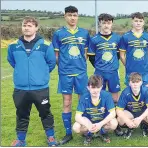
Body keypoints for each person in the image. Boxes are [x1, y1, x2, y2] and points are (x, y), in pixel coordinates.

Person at [7, 16, 57, 146]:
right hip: (21, 88)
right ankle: (21, 140)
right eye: (24, 25)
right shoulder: (13, 46)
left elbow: (51, 63)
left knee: (45, 113)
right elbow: (12, 62)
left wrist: (40, 75)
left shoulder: (46, 45)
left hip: (40, 88)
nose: (26, 28)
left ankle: (51, 137)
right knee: (21, 114)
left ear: (36, 28)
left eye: (29, 25)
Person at [52, 6, 90, 145]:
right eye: (69, 15)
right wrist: (64, 67)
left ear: (78, 16)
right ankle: (68, 133)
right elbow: (56, 56)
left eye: (74, 15)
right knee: (67, 102)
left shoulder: (84, 33)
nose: (72, 18)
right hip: (65, 74)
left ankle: (86, 130)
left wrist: (80, 65)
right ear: (65, 16)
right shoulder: (58, 34)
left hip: (81, 73)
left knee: (83, 102)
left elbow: (85, 54)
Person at [72, 75, 118, 145]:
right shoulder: (84, 97)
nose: (95, 90)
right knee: (76, 127)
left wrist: (100, 124)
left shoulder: (107, 95)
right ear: (88, 88)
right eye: (93, 87)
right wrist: (89, 125)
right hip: (89, 121)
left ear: (101, 87)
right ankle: (89, 134)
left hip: (102, 121)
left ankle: (102, 132)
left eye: (98, 87)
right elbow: (77, 116)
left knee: (114, 123)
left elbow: (113, 113)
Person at [88, 13, 121, 103]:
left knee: (115, 98)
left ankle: (114, 116)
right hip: (99, 72)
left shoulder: (117, 38)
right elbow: (91, 57)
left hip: (113, 72)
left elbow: (118, 54)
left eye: (109, 23)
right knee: (99, 96)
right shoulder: (94, 39)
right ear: (100, 23)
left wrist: (112, 65)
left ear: (112, 24)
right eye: (104, 23)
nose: (106, 25)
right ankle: (101, 115)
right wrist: (100, 66)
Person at [119, 12, 148, 87]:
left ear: (143, 23)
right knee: (131, 95)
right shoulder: (125, 37)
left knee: (145, 94)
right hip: (130, 71)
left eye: (140, 21)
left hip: (144, 72)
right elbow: (122, 55)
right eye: (136, 21)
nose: (138, 23)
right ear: (132, 22)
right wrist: (128, 65)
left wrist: (144, 63)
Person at [115, 72, 148, 139]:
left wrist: (140, 118)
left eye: (137, 82)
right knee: (120, 120)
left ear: (141, 82)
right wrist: (127, 121)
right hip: (130, 112)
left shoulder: (146, 90)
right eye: (133, 82)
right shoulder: (125, 92)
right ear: (129, 83)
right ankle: (130, 128)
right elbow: (118, 110)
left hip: (142, 112)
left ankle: (144, 126)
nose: (135, 84)